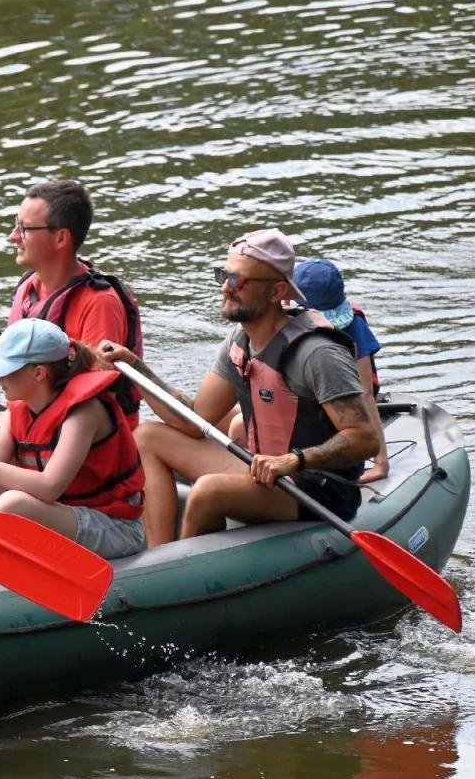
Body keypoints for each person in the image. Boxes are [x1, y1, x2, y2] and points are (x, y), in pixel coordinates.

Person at [105, 229, 380, 548]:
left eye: (239, 281)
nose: (225, 287)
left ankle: (180, 574)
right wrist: (136, 367)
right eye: (224, 275)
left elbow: (364, 439)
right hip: (264, 470)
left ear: (277, 291)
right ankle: (157, 557)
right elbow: (195, 419)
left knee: (207, 491)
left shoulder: (317, 354)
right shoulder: (240, 343)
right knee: (149, 436)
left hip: (315, 486)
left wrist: (294, 461)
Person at [0, 319, 145, 583]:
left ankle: (9, 591)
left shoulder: (84, 411)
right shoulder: (20, 407)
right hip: (62, 512)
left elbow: (49, 486)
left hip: (116, 526)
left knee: (11, 505)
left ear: (39, 373)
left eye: (7, 370)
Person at [6, 179, 144, 423]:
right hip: (30, 427)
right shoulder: (26, 288)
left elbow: (96, 397)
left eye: (25, 229)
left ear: (61, 238)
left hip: (85, 445)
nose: (13, 237)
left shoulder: (100, 303)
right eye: (16, 226)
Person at [294, 258, 388, 482]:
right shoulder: (288, 325)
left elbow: (365, 394)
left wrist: (381, 462)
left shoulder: (354, 326)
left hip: (345, 409)